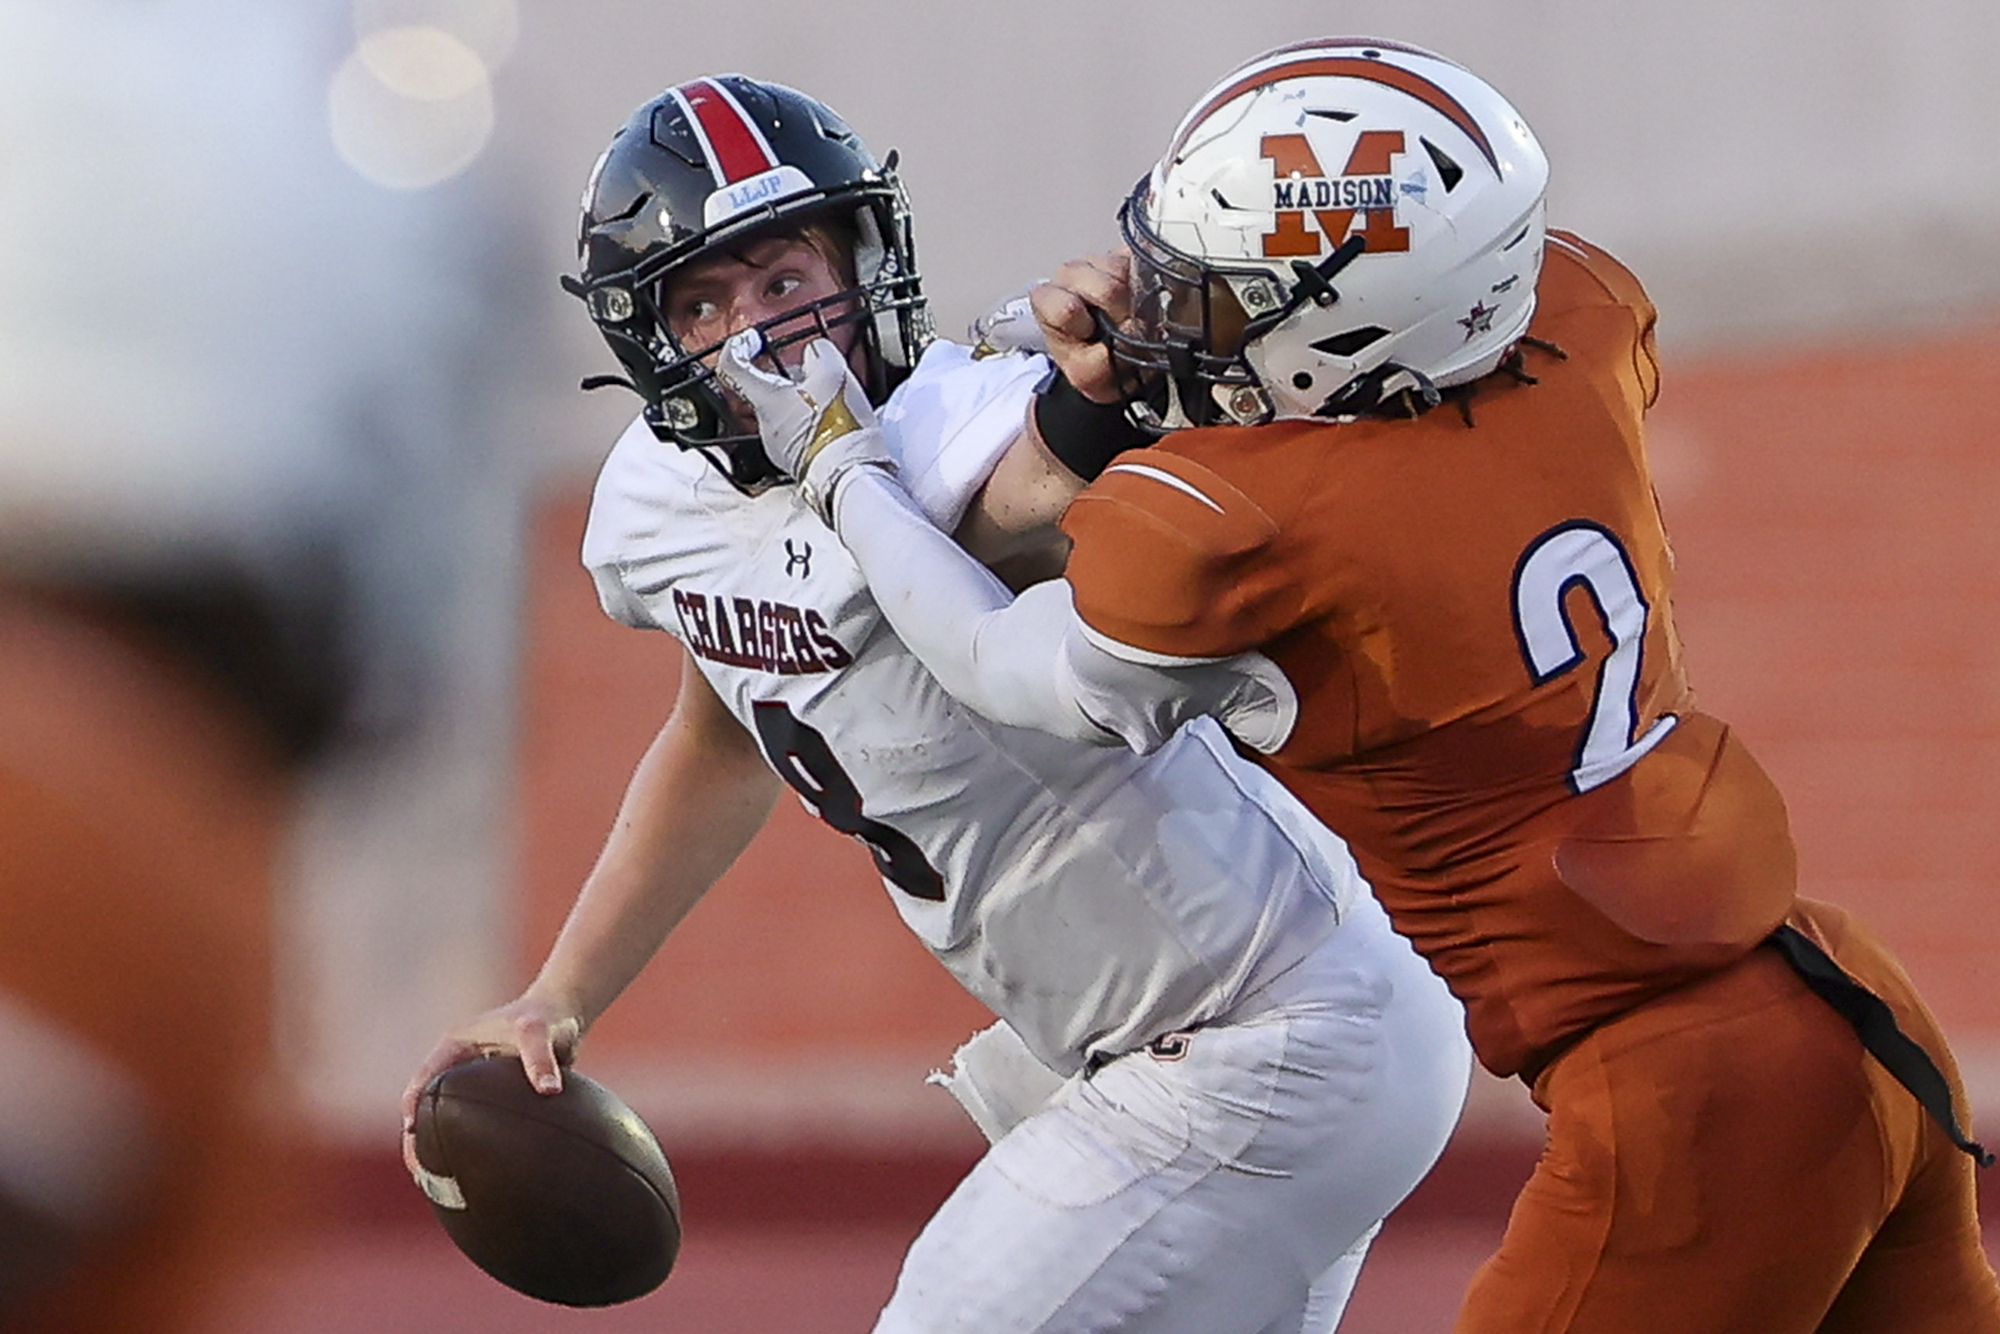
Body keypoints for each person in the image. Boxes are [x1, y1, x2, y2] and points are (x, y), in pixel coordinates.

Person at [720, 38, 2000, 1334]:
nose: (1167, 315)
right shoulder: (1577, 316)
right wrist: (1208, 350)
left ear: (1348, 321)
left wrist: (846, 472)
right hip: (1842, 988)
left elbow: (999, 657)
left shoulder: (1240, 522)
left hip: (1686, 1096)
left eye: (1210, 294)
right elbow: (1406, 370)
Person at [401, 75, 1472, 1334]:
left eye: (784, 280)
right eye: (706, 301)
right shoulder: (656, 502)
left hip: (1265, 1030)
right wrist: (559, 991)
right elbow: (719, 736)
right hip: (1171, 1044)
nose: (760, 334)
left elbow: (1015, 493)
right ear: (651, 339)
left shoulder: (945, 416)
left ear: (861, 264)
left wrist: (1091, 393)